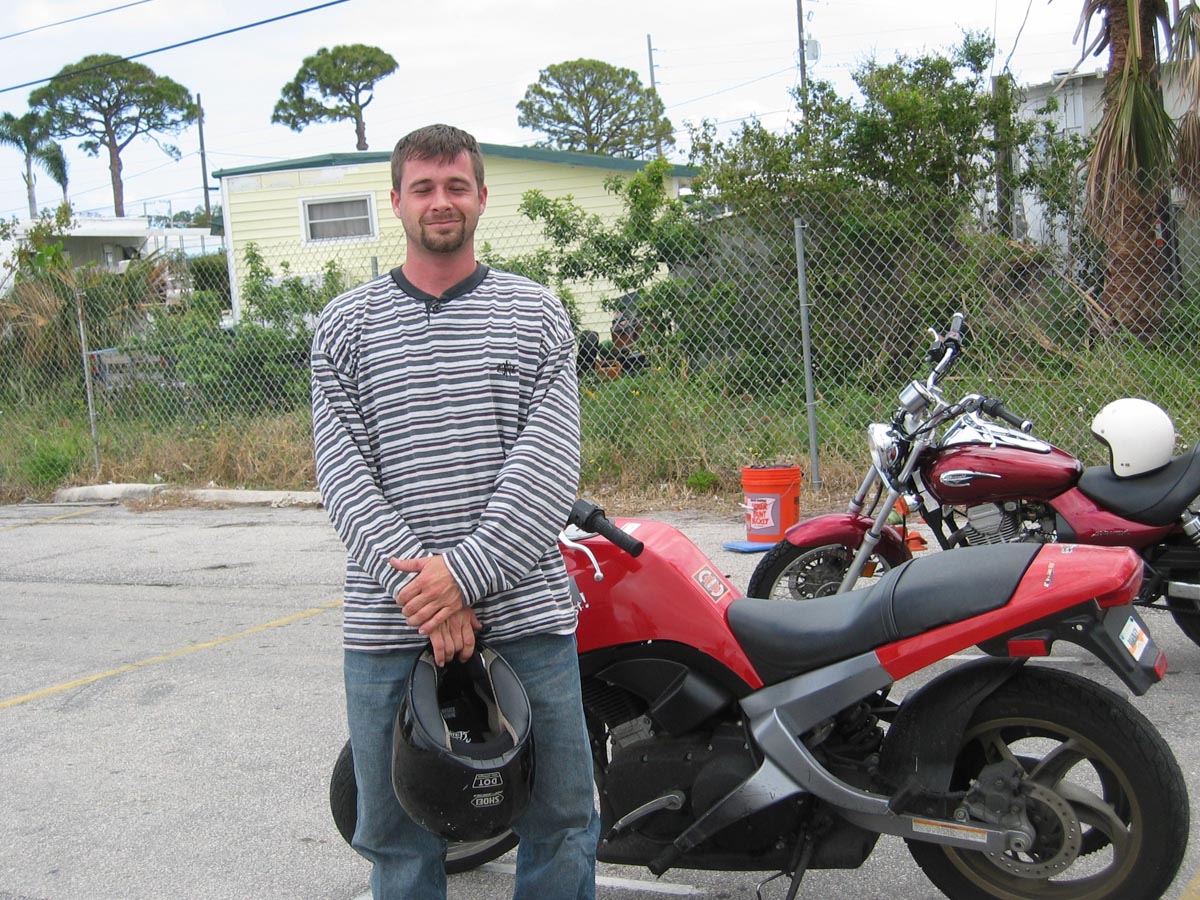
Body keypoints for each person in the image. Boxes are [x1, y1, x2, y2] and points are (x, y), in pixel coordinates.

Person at [310, 123, 599, 900]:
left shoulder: (536, 315)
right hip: (389, 625)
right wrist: (431, 598)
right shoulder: (344, 327)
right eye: (424, 187)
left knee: (561, 821)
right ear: (396, 201)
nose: (441, 201)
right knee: (396, 839)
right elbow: (343, 478)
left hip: (527, 618)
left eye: (456, 186)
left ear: (481, 196)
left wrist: (462, 578)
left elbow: (547, 468)